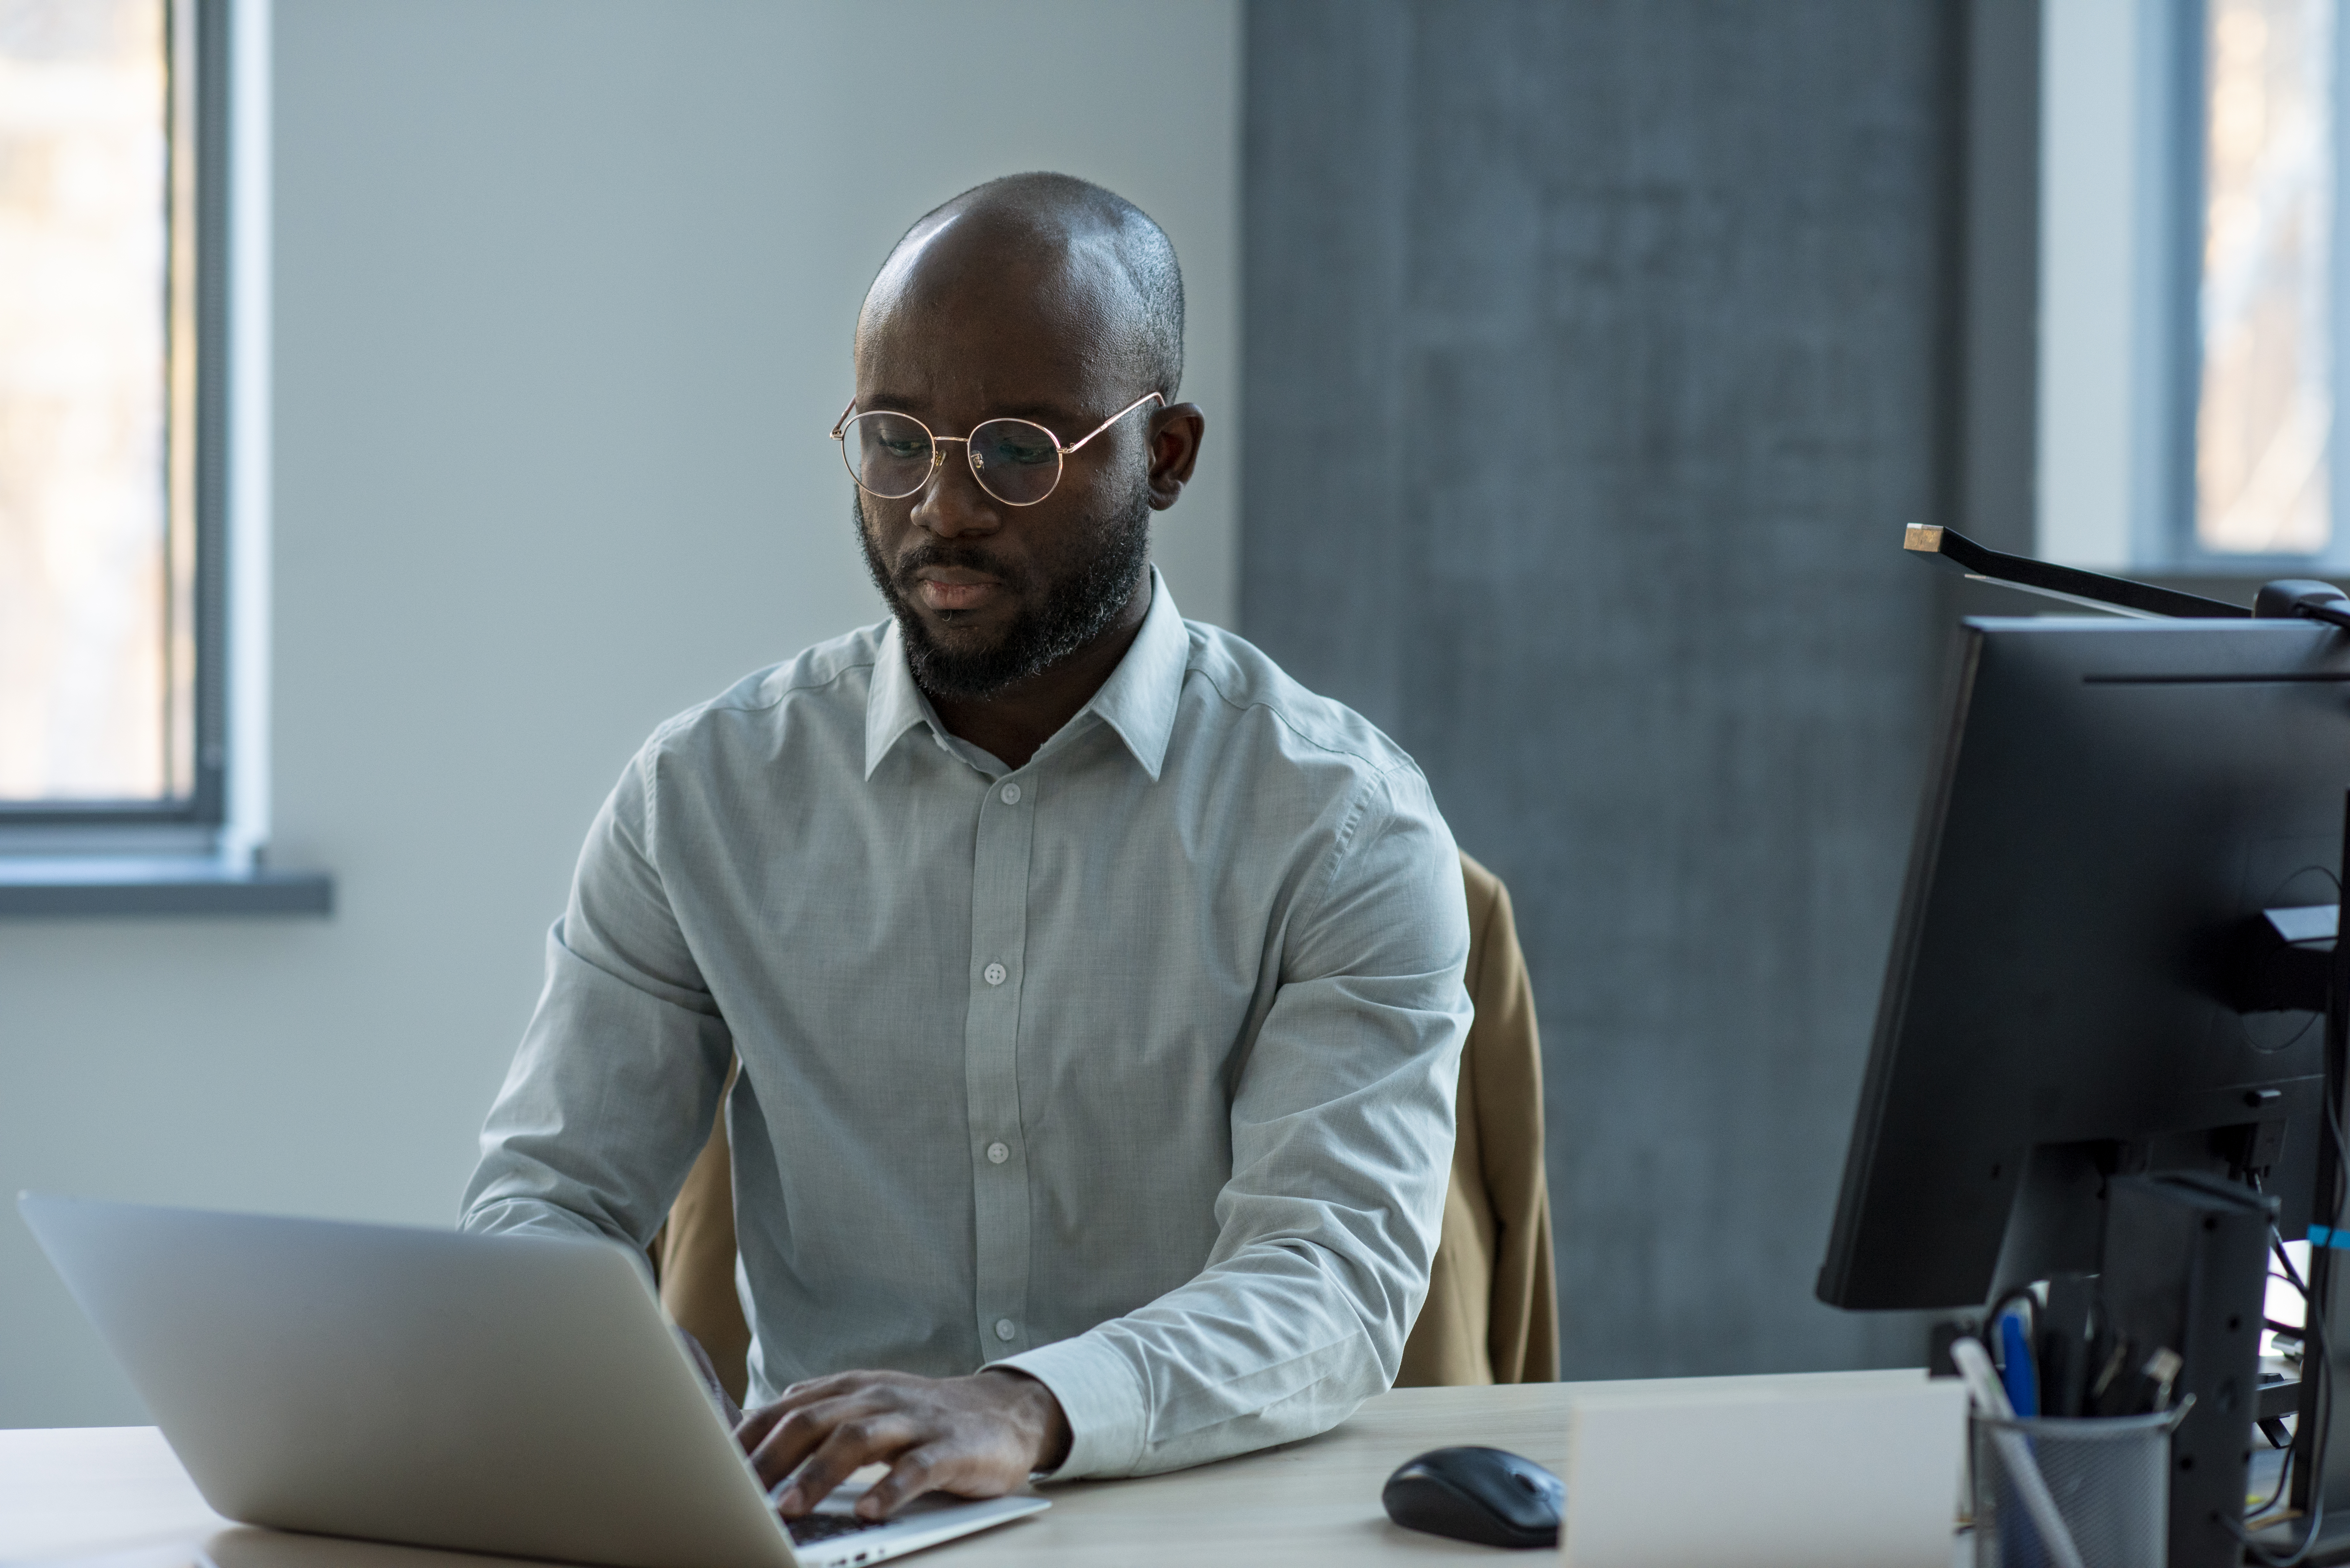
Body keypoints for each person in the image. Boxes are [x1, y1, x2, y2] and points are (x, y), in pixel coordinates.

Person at [459, 171, 1471, 1522]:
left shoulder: (1340, 823)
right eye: (893, 439)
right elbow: (546, 1202)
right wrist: (625, 1380)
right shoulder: (704, 795)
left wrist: (1020, 1406)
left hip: (1205, 1518)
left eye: (1013, 451)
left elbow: (1329, 1281)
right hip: (822, 1524)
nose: (939, 506)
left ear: (1163, 455)